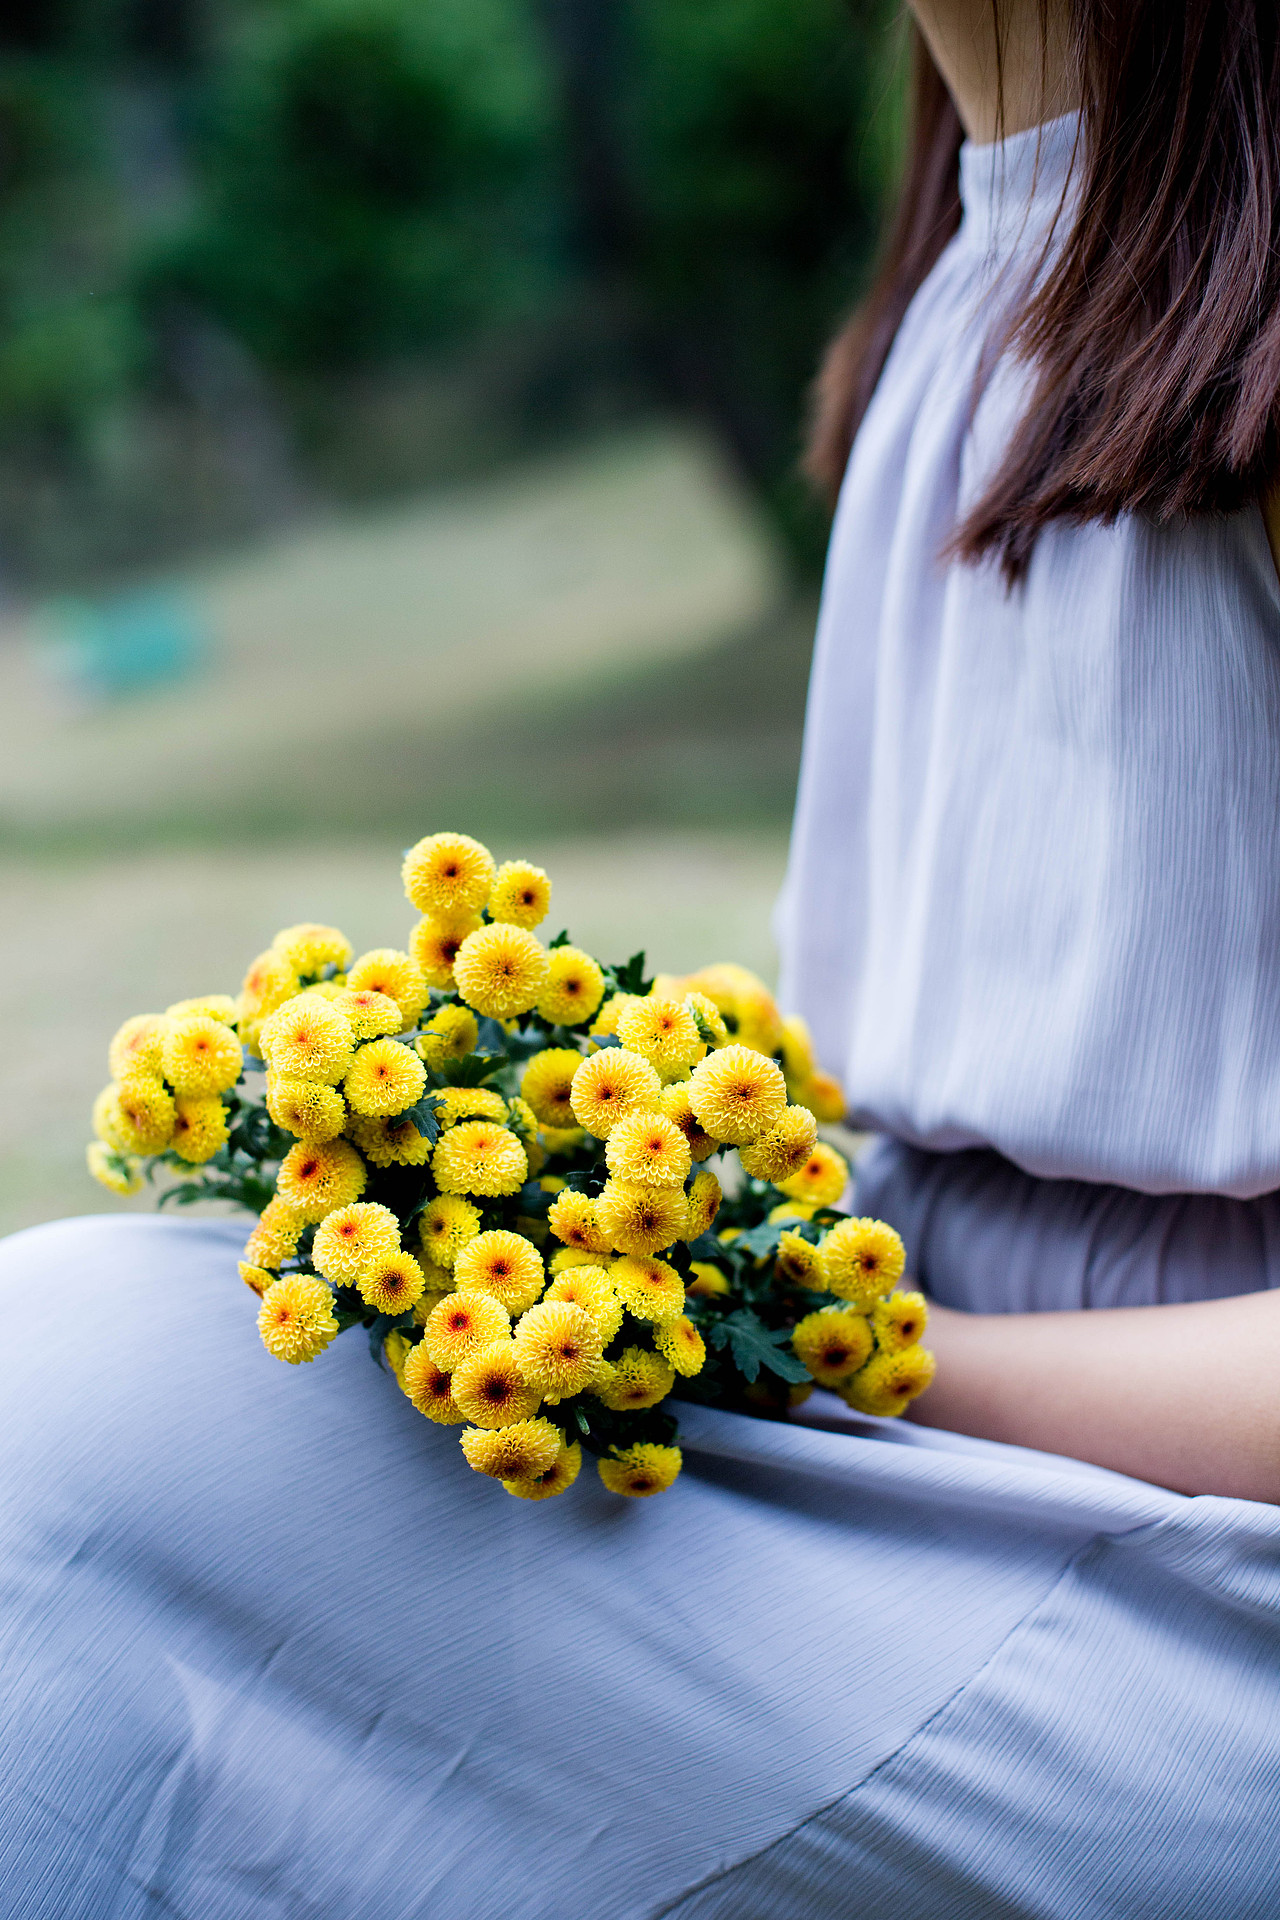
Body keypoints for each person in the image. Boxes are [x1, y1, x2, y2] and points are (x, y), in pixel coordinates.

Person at [1, 4, 1278, 1916]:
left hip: (1182, 1582)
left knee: (82, 1416)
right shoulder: (987, 255)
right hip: (926, 1450)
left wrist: (828, 1353)